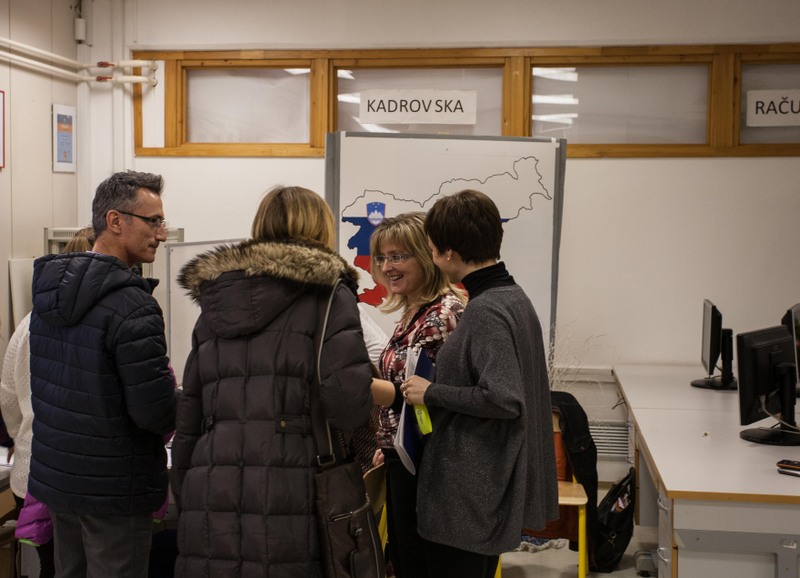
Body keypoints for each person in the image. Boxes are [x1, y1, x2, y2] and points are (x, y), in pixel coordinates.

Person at [170, 185, 374, 577]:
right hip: (295, 488)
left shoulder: (214, 302)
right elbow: (348, 406)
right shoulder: (330, 296)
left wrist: (190, 489)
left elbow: (190, 414)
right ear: (321, 229)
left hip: (210, 488)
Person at [27, 171, 178, 578]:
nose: (162, 234)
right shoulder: (133, 305)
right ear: (115, 221)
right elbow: (154, 412)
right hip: (114, 488)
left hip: (60, 480)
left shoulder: (48, 294)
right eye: (153, 221)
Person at [402, 189, 558, 578]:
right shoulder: (512, 297)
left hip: (470, 492)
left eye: (431, 249)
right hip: (484, 488)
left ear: (447, 253)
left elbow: (504, 399)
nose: (432, 257)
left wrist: (431, 392)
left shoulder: (487, 310)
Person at [368, 212, 466, 578]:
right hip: (406, 456)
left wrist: (359, 387)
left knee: (419, 562)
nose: (387, 267)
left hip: (430, 465)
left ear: (425, 256)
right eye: (382, 258)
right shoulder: (415, 309)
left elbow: (436, 399)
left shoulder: (442, 315)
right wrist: (390, 439)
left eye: (398, 256)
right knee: (404, 558)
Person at [1, 226, 95, 578]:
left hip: (30, 471)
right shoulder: (99, 322)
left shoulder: (27, 323)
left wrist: (20, 435)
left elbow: (8, 394)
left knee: (49, 566)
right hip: (78, 475)